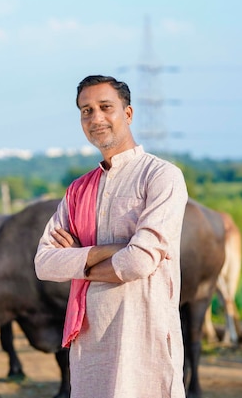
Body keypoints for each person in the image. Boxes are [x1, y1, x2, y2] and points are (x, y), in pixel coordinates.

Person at [34, 75, 188, 398]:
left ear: (128, 114)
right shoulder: (78, 190)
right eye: (86, 111)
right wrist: (109, 250)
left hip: (144, 338)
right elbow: (44, 263)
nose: (96, 118)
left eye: (106, 107)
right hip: (89, 346)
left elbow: (138, 262)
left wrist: (77, 261)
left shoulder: (161, 177)